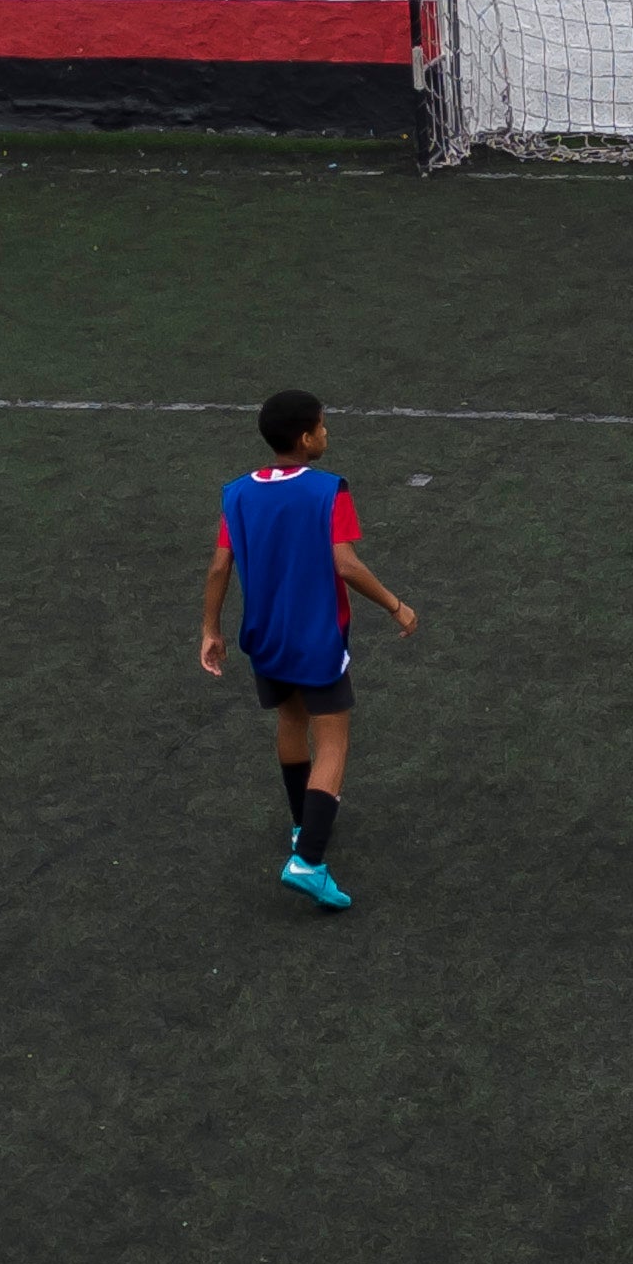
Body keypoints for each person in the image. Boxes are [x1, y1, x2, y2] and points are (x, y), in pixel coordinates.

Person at [196, 389, 422, 910]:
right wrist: (395, 604)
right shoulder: (328, 490)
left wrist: (211, 630)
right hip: (316, 639)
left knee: (291, 723)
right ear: (304, 438)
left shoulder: (236, 493)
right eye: (322, 427)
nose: (327, 433)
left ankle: (302, 827)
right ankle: (309, 860)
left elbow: (218, 566)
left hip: (265, 638)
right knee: (335, 741)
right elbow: (344, 563)